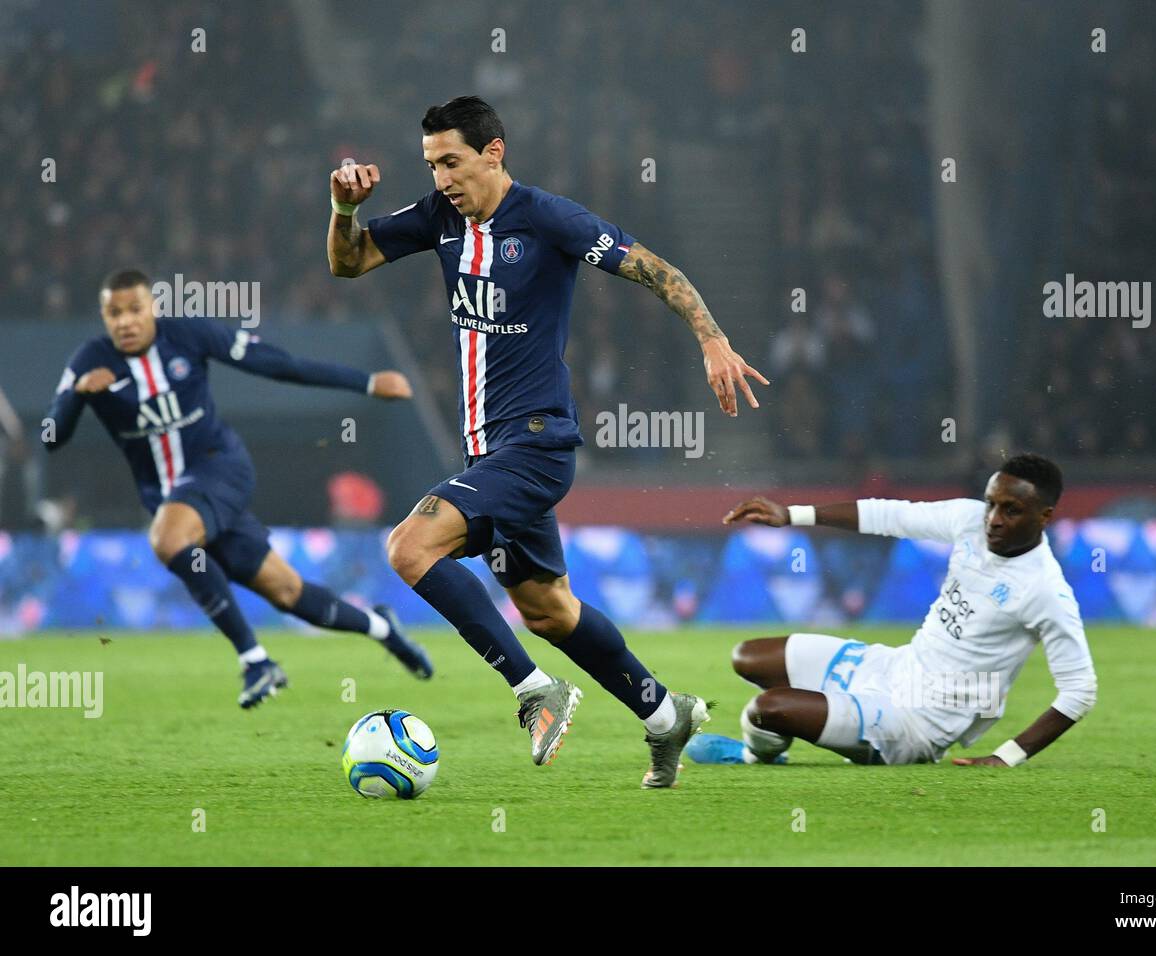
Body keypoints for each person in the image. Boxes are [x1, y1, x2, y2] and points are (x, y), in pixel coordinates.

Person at [327, 95, 769, 787]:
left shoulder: (547, 218)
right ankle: (664, 716)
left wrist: (712, 340)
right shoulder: (438, 218)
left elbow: (659, 271)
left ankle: (536, 691)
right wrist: (345, 209)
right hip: (488, 452)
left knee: (409, 546)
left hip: (536, 445)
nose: (441, 179)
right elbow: (348, 265)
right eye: (431, 164)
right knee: (547, 609)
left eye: (452, 162)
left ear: (492, 153)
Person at [45, 270, 434, 707]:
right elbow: (49, 435)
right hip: (178, 503)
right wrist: (76, 396)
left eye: (134, 309)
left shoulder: (188, 335)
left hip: (218, 469)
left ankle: (256, 661)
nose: (125, 322)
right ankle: (382, 627)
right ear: (103, 316)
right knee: (288, 593)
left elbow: (276, 363)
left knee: (167, 538)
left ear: (153, 306)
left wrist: (364, 382)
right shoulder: (89, 361)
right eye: (114, 313)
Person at [693, 453, 1097, 768]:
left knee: (766, 710)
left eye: (1011, 510)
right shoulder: (969, 520)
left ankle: (752, 756)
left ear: (1044, 516)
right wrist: (792, 515)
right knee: (746, 657)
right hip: (894, 667)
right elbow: (890, 515)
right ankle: (818, 719)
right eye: (992, 503)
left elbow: (1080, 689)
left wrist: (1006, 755)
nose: (993, 519)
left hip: (919, 721)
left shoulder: (1045, 590)